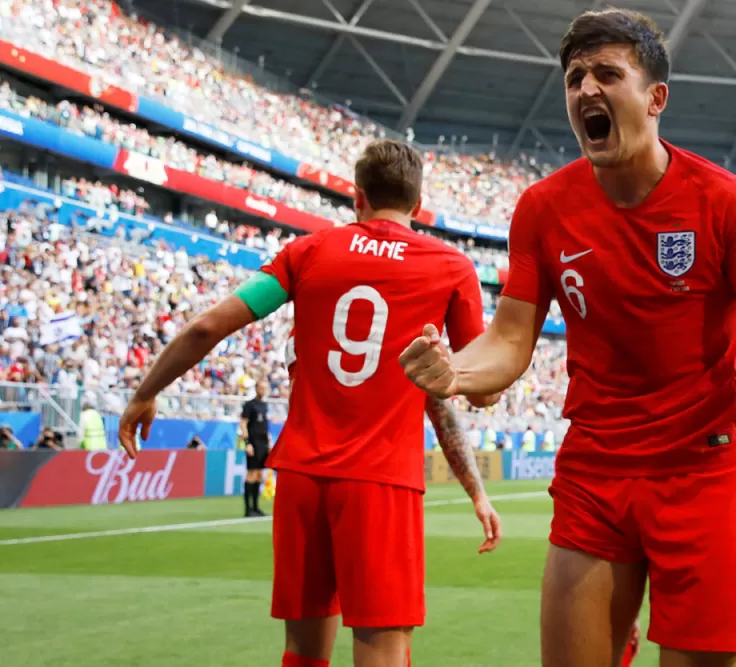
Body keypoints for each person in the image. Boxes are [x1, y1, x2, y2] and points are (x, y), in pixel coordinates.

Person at [399, 9, 736, 666]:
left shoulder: (728, 202)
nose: (586, 87)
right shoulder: (542, 208)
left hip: (702, 470)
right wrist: (455, 371)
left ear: (655, 97)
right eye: (575, 77)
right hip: (595, 469)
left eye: (607, 73)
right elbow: (508, 338)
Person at [118, 139, 503, 667]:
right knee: (384, 646)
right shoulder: (451, 267)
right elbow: (477, 389)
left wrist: (145, 392)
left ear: (357, 196)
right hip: (381, 478)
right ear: (418, 202)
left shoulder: (306, 252)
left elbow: (208, 325)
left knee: (302, 650)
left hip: (300, 473)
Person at [240, 378, 272, 517]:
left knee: (259, 474)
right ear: (256, 388)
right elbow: (243, 423)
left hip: (263, 443)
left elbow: (264, 425)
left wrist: (268, 441)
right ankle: (248, 509)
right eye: (261, 388)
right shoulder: (249, 405)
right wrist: (247, 442)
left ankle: (256, 506)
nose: (263, 390)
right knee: (251, 474)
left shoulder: (264, 405)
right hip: (253, 442)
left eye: (265, 388)